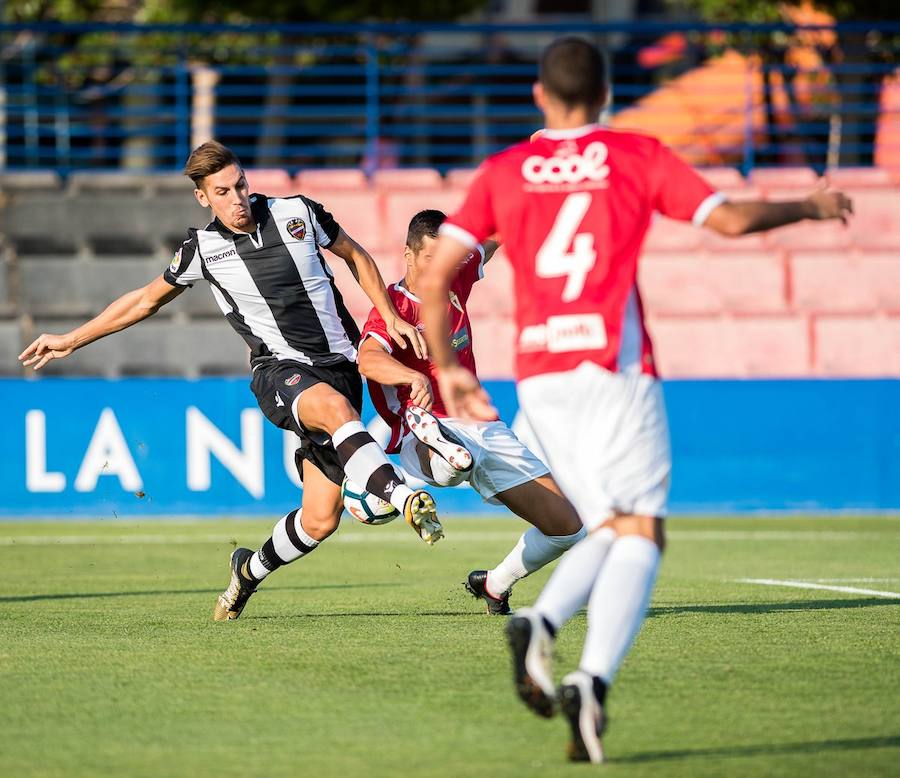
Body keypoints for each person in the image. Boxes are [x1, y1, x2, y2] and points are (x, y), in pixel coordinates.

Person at [418, 38, 853, 763]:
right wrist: (805, 205)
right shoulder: (634, 155)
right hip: (614, 372)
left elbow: (436, 278)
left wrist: (449, 370)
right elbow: (730, 221)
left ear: (538, 95)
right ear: (608, 92)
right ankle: (584, 673)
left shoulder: (505, 170)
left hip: (542, 378)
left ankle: (544, 625)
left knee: (604, 525)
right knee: (641, 531)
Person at [18, 140, 445, 623]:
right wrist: (72, 339)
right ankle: (402, 494)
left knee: (320, 519)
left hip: (341, 368)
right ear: (204, 198)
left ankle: (248, 571)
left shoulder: (297, 212)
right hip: (279, 371)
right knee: (335, 412)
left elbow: (357, 257)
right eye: (223, 191)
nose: (237, 197)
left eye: (241, 184)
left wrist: (389, 318)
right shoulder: (202, 249)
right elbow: (143, 301)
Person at [356, 209, 586, 616]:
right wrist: (413, 378)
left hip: (483, 426)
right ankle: (430, 461)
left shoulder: (456, 276)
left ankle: (495, 585)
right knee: (452, 465)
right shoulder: (393, 306)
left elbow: (500, 231)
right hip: (423, 421)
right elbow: (369, 359)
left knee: (568, 527)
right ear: (408, 256)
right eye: (430, 258)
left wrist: (538, 165)